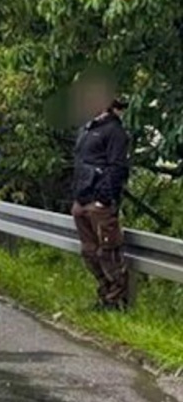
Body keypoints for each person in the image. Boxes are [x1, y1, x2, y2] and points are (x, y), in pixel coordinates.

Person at [70, 79, 132, 311]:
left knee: (108, 252)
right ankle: (104, 295)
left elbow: (118, 168)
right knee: (89, 253)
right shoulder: (87, 129)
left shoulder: (115, 131)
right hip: (82, 200)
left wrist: (103, 199)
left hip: (100, 204)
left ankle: (116, 302)